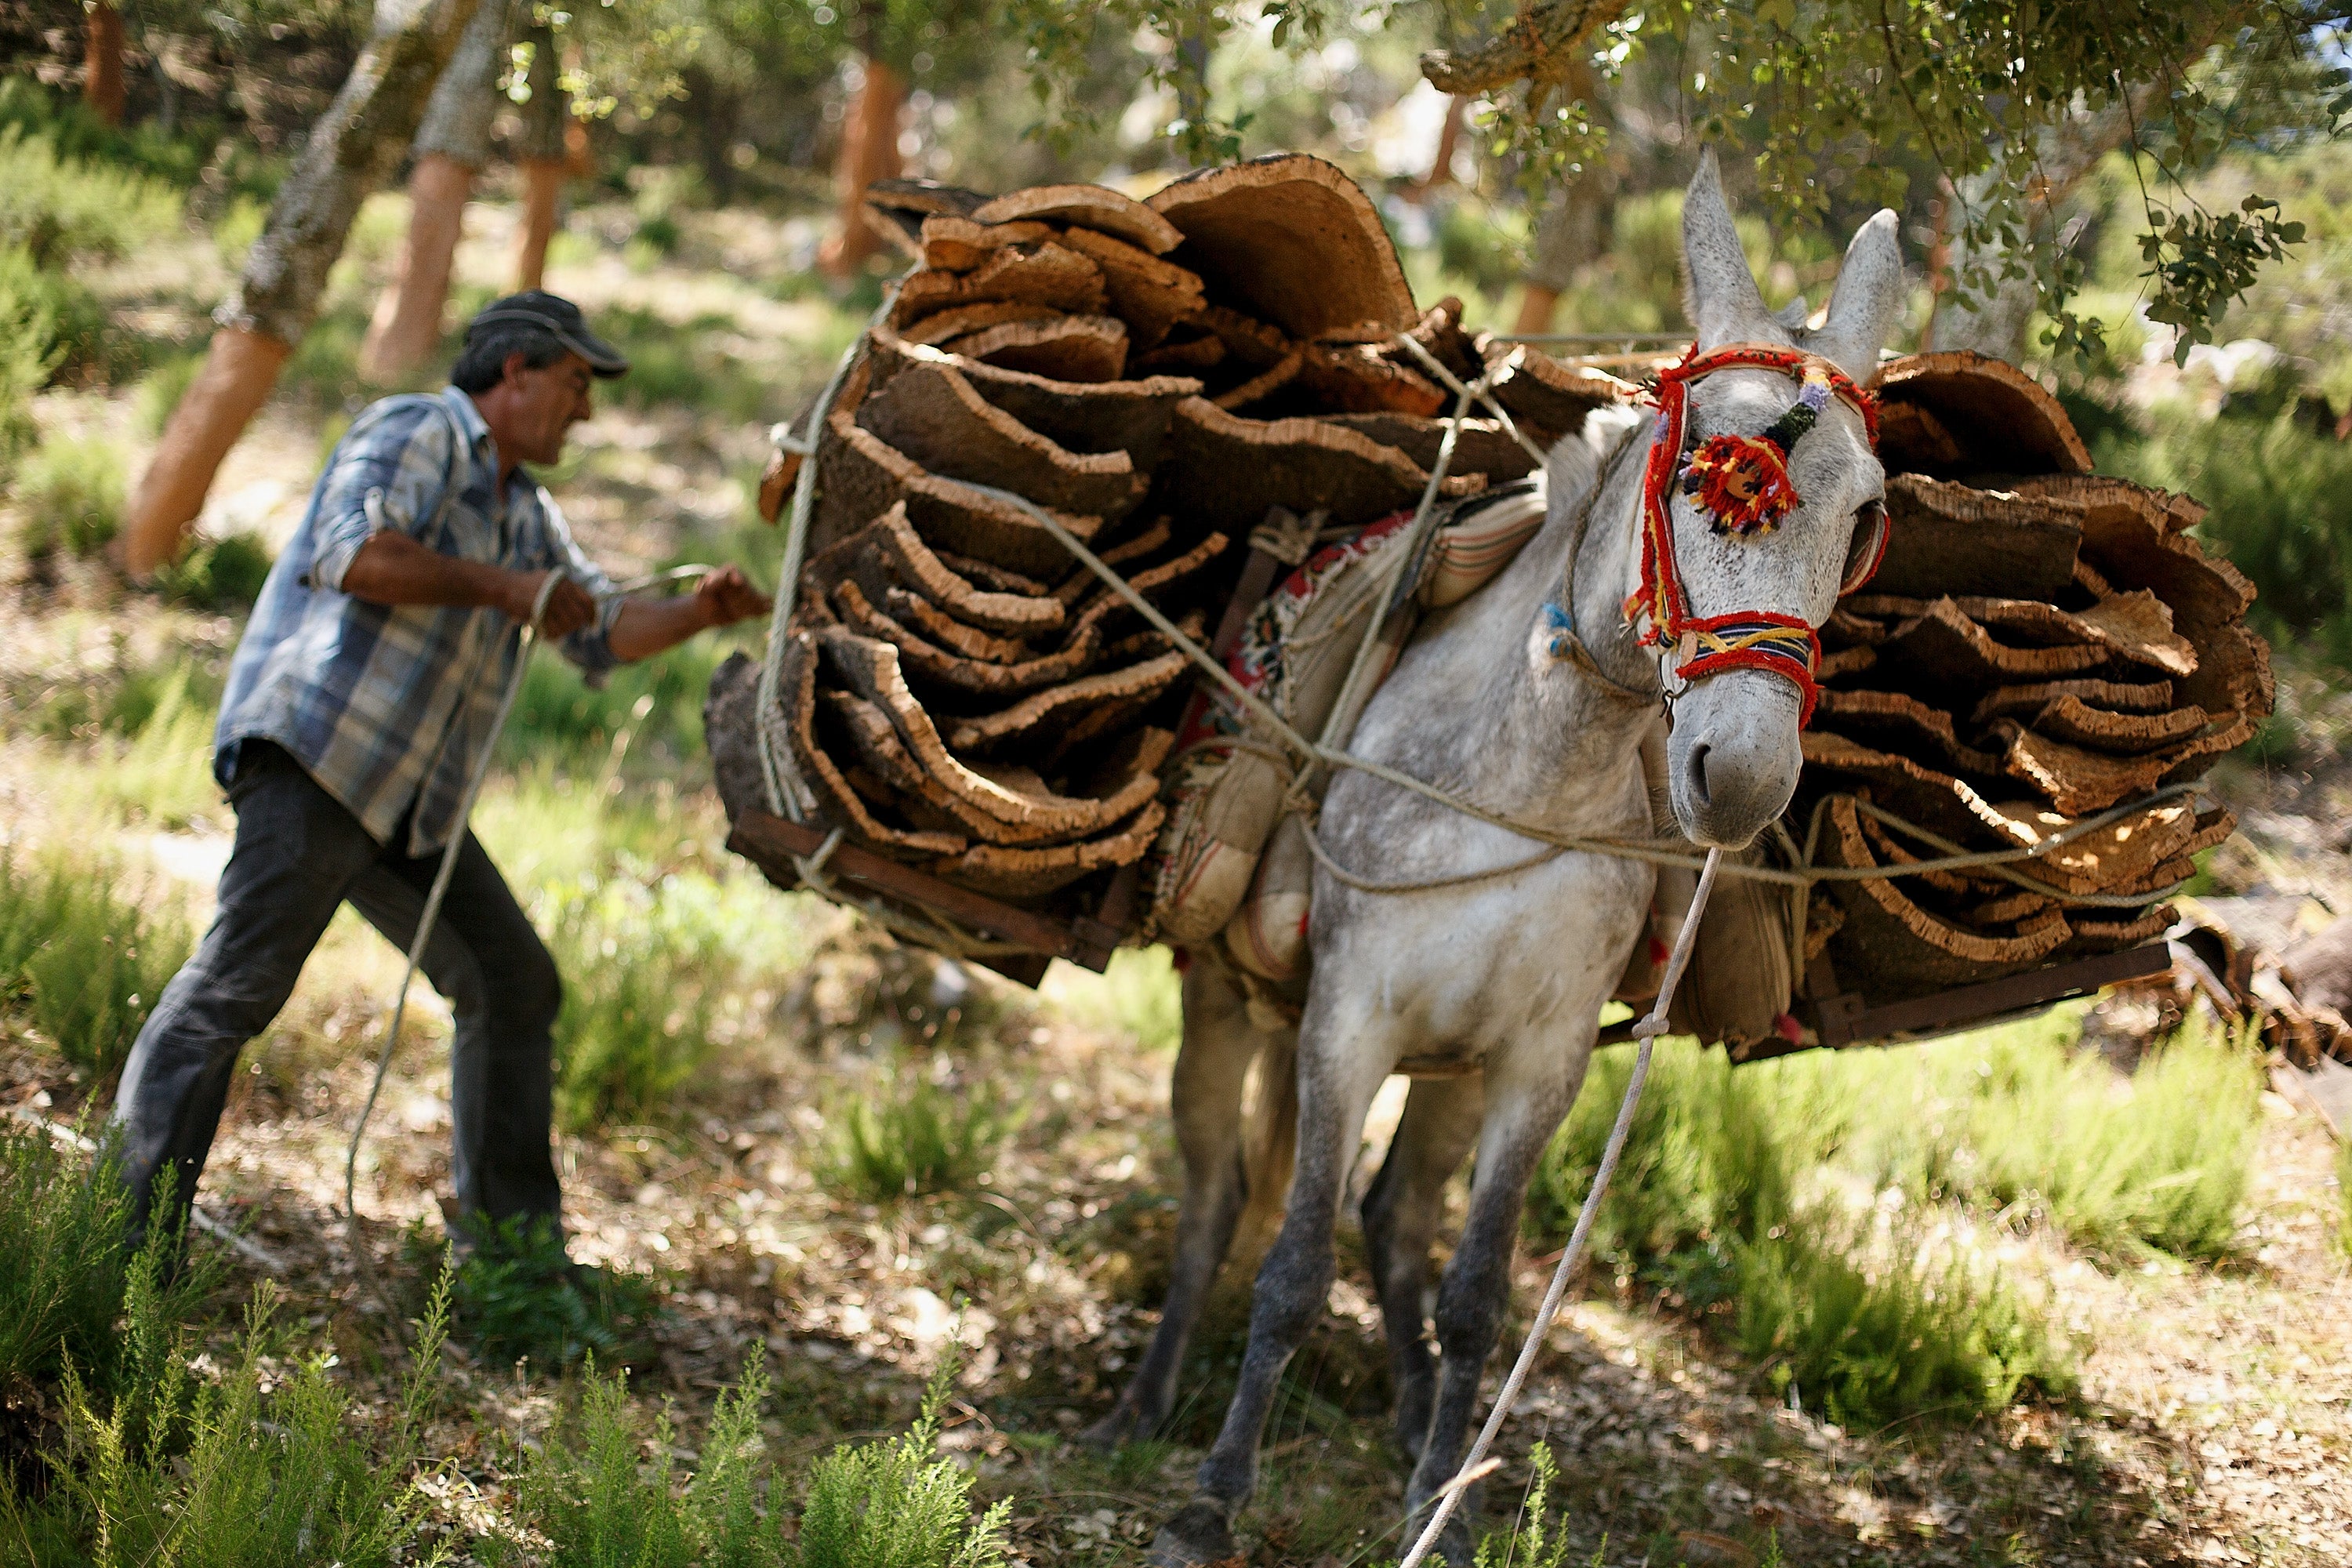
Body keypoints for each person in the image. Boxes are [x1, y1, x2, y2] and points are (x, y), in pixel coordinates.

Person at [112, 290, 771, 1253]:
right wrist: (506, 590)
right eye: (577, 384)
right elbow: (351, 552)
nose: (584, 412)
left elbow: (595, 628)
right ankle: (117, 1246)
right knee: (232, 992)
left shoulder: (524, 506)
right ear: (515, 372)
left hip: (409, 806)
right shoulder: (418, 428)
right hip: (318, 761)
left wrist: (702, 615)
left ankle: (511, 1261)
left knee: (513, 982)